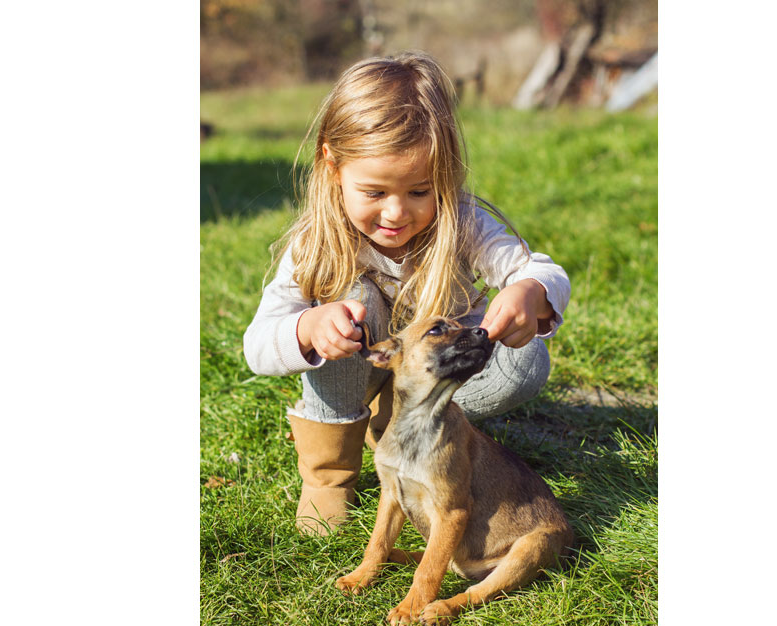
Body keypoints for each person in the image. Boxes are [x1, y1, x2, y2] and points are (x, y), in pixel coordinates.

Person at [244, 51, 570, 535]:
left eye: (420, 191)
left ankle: (402, 427)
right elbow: (256, 346)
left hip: (423, 383)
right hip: (355, 375)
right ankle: (331, 474)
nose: (396, 213)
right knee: (350, 298)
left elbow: (542, 270)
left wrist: (530, 290)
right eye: (374, 193)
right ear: (332, 165)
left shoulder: (461, 223)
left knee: (527, 362)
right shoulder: (316, 241)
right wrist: (309, 326)